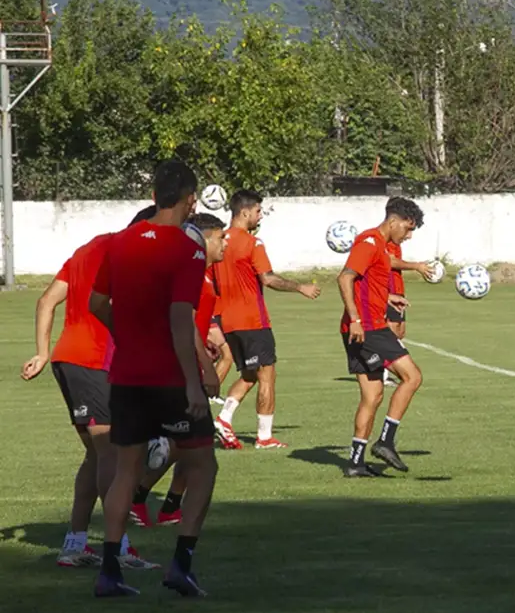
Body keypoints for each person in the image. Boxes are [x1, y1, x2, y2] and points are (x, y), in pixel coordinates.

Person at [88, 159, 219, 597]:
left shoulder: (119, 242)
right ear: (191, 200)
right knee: (203, 463)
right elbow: (181, 318)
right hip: (168, 378)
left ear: (153, 195)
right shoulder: (188, 249)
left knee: (126, 469)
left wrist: (126, 336)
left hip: (127, 375)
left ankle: (110, 571)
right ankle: (181, 564)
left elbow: (96, 303)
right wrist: (192, 381)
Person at [20, 230, 151, 569]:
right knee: (110, 453)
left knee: (95, 455)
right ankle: (118, 547)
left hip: (68, 358)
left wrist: (42, 352)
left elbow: (46, 301)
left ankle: (75, 545)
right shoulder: (125, 252)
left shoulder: (85, 251)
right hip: (92, 360)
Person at [129, 212, 228, 528]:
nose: (225, 244)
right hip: (179, 368)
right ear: (204, 239)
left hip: (187, 364)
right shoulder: (192, 273)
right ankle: (137, 497)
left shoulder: (204, 276)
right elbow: (183, 320)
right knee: (184, 442)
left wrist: (207, 342)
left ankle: (169, 506)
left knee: (195, 443)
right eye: (220, 238)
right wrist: (206, 367)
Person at [212, 189, 320, 449]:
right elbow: (268, 278)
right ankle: (264, 436)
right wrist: (300, 287)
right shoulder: (253, 243)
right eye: (258, 211)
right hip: (252, 320)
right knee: (267, 376)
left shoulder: (217, 241)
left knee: (250, 374)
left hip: (227, 322)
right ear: (244, 212)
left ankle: (224, 418)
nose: (260, 216)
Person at [338, 197, 427, 477]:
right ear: (393, 221)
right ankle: (386, 442)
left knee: (373, 396)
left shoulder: (378, 245)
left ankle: (355, 463)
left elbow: (365, 283)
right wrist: (355, 320)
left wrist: (388, 298)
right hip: (368, 328)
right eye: (408, 228)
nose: (408, 235)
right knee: (413, 377)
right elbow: (345, 278)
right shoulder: (369, 242)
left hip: (363, 326)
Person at [382, 240, 434, 387]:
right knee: (390, 334)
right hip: (388, 290)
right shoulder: (386, 241)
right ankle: (381, 375)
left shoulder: (395, 243)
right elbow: (391, 262)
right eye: (408, 230)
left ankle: (384, 371)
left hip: (398, 290)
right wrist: (417, 266)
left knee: (400, 333)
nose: (409, 236)